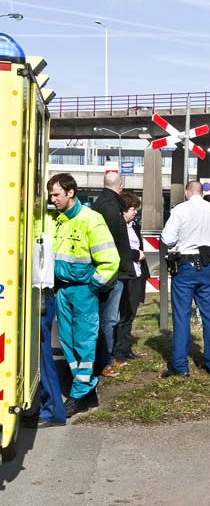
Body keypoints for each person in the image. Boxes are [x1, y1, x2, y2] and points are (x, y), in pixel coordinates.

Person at [47, 173, 120, 417]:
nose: (52, 199)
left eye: (56, 194)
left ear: (71, 193)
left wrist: (92, 287)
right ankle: (87, 392)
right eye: (51, 194)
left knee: (84, 344)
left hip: (82, 292)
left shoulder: (91, 220)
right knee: (68, 342)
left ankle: (79, 394)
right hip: (63, 290)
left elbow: (110, 261)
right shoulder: (58, 220)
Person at [160, 180, 210, 377]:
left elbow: (168, 239)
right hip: (209, 266)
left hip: (185, 268)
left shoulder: (180, 210)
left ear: (187, 192)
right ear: (202, 192)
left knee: (181, 316)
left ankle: (180, 366)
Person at [92, 171, 134, 378]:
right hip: (112, 271)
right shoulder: (111, 208)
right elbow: (116, 243)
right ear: (121, 185)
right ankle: (105, 361)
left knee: (106, 317)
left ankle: (105, 359)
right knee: (109, 318)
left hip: (106, 269)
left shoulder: (101, 204)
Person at [29, 219, 66, 427]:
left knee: (42, 356)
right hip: (40, 292)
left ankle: (53, 410)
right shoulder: (44, 220)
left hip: (40, 293)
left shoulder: (41, 223)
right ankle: (43, 407)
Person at [112, 191, 150, 363]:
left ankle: (126, 348)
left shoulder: (135, 226)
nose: (135, 212)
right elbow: (121, 250)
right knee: (122, 314)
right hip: (125, 275)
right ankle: (117, 350)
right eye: (133, 208)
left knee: (131, 313)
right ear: (124, 210)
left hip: (137, 274)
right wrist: (136, 254)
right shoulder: (117, 228)